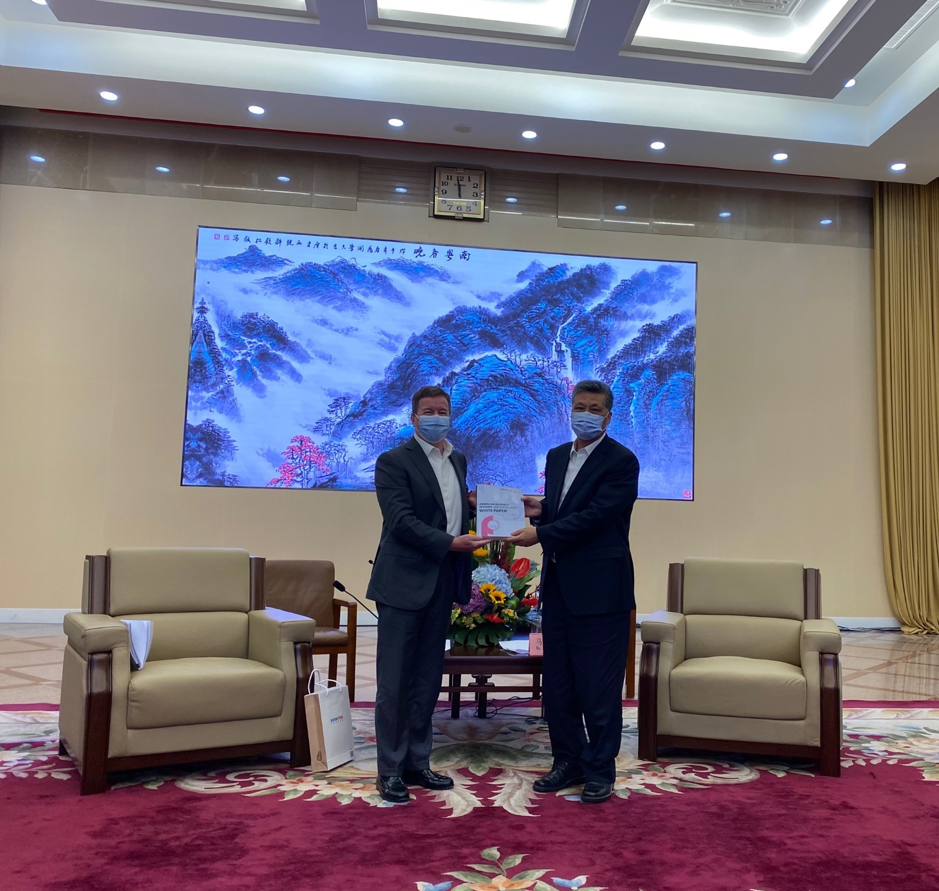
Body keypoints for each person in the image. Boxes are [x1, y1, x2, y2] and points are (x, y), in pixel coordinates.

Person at [509, 380, 639, 804]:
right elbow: (566, 508)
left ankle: (600, 769)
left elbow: (597, 516)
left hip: (601, 589)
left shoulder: (622, 461)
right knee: (559, 684)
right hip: (559, 586)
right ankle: (566, 761)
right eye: (580, 406)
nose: (586, 413)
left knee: (598, 686)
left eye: (594, 408)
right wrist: (540, 510)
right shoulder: (556, 456)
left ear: (608, 416)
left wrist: (542, 533)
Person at [366, 385, 489, 804]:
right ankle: (390, 770)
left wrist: (481, 507)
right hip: (402, 583)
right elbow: (401, 521)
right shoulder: (393, 461)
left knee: (426, 680)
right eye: (429, 411)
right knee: (395, 682)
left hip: (441, 582)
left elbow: (448, 510)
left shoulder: (457, 459)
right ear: (414, 418)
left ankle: (418, 762)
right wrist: (450, 543)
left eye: (443, 410)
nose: (437, 417)